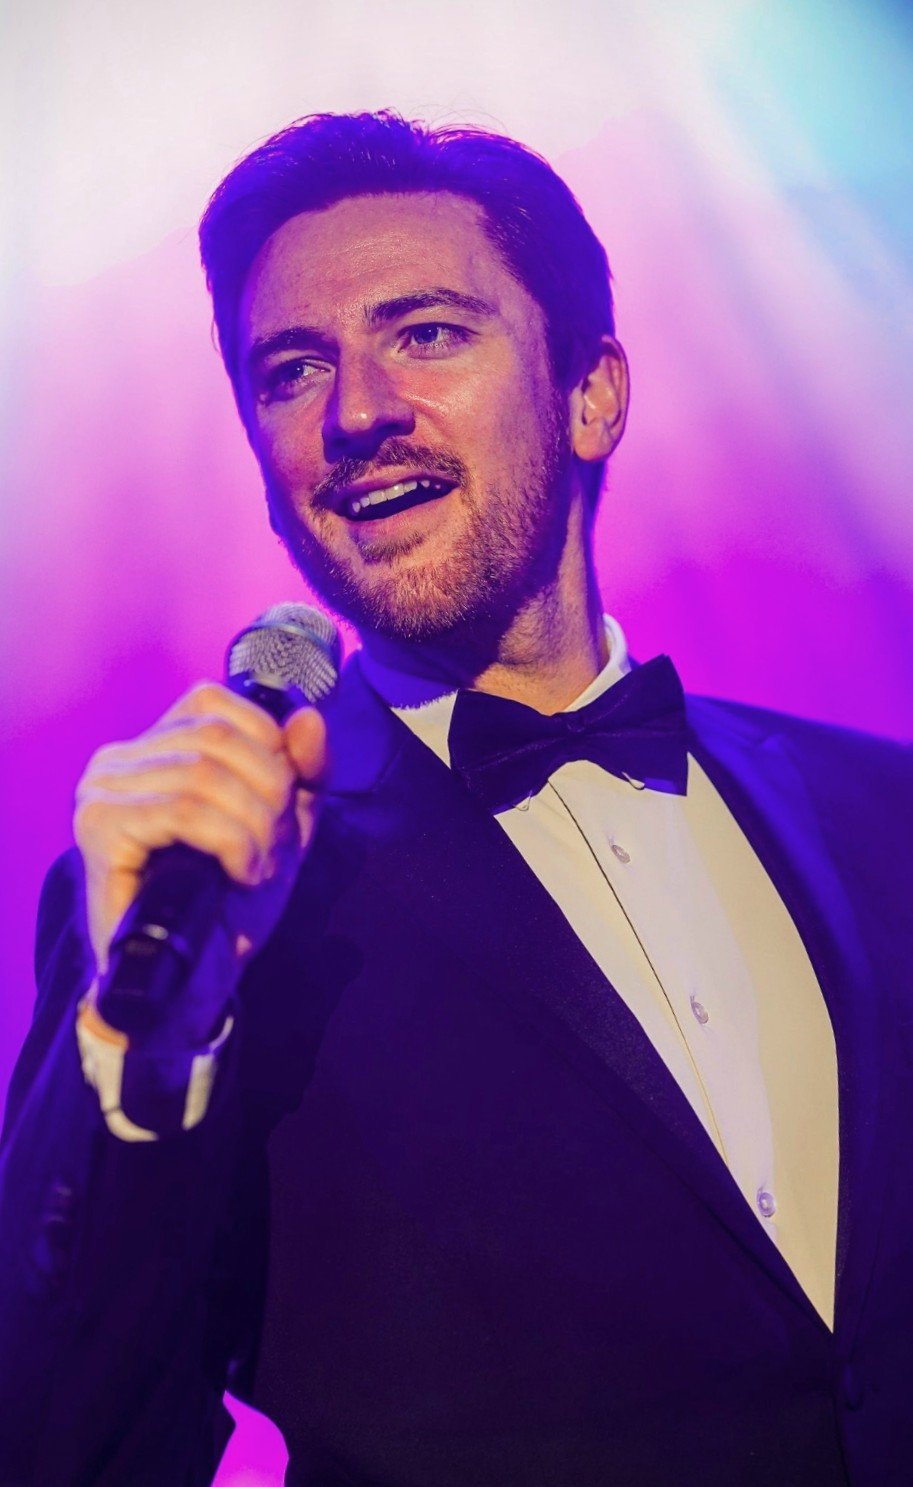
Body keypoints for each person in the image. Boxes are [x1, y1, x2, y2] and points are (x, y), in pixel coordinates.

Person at [1, 110, 911, 1487]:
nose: (355, 411)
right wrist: (147, 1067)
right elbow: (66, 1450)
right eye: (291, 368)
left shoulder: (879, 812)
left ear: (589, 392)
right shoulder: (208, 883)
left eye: (425, 332)